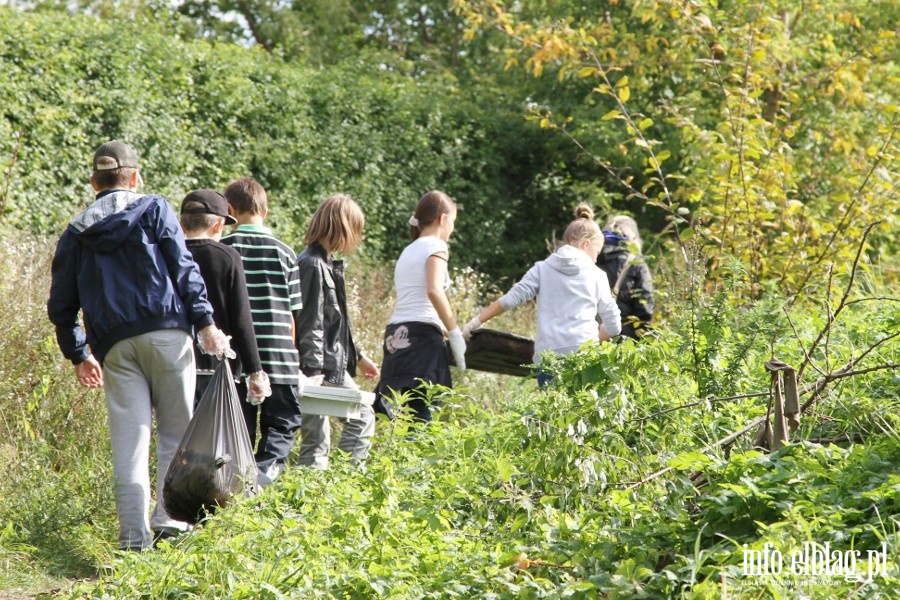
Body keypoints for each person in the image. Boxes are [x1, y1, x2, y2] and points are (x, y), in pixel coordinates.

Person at [47, 140, 233, 551]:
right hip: (167, 333)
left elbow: (61, 303)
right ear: (134, 177)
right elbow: (183, 268)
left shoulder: (76, 231)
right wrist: (205, 322)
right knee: (175, 431)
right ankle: (168, 521)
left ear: (95, 181)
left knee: (130, 440)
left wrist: (78, 352)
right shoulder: (155, 208)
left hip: (114, 345)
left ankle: (133, 538)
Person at [462, 203, 621, 385]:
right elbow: (614, 326)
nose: (596, 258)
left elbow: (511, 299)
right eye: (597, 252)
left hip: (548, 358)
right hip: (584, 358)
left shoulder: (542, 268)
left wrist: (475, 322)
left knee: (553, 413)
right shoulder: (597, 275)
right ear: (586, 244)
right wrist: (592, 341)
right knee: (581, 412)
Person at [221, 177, 302, 485]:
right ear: (264, 210)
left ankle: (232, 488)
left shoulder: (224, 248)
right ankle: (261, 483)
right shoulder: (285, 252)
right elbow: (293, 316)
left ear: (229, 210)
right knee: (280, 429)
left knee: (238, 431)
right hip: (280, 359)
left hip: (239, 361)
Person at [295, 194, 380, 469]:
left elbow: (335, 323)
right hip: (319, 366)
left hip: (325, 362)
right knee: (362, 416)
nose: (360, 237)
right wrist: (313, 372)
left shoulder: (326, 264)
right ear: (343, 227)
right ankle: (345, 482)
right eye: (357, 229)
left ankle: (320, 498)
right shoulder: (311, 264)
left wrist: (359, 355)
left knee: (317, 441)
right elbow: (310, 323)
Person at [373, 190, 466, 423]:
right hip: (422, 339)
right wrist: (454, 332)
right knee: (423, 415)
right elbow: (434, 290)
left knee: (409, 412)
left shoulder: (409, 249)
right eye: (452, 222)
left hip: (397, 336)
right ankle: (417, 459)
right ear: (443, 219)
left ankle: (403, 456)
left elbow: (413, 299)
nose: (452, 229)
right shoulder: (436, 246)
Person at [178, 189, 271, 406]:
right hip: (219, 366)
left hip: (175, 361)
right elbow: (241, 319)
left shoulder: (170, 254)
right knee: (216, 435)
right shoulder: (228, 257)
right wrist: (254, 371)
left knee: (176, 433)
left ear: (182, 225)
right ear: (219, 225)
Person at [596, 215, 655, 340]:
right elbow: (644, 303)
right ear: (633, 236)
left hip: (591, 336)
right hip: (624, 339)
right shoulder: (635, 262)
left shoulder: (591, 258)